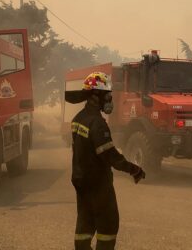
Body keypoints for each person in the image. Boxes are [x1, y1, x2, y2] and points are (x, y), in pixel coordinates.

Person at [65, 72, 146, 250]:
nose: (110, 100)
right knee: (108, 226)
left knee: (85, 223)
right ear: (96, 97)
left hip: (81, 181)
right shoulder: (97, 124)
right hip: (98, 184)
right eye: (108, 96)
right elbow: (110, 156)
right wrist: (134, 169)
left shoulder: (77, 119)